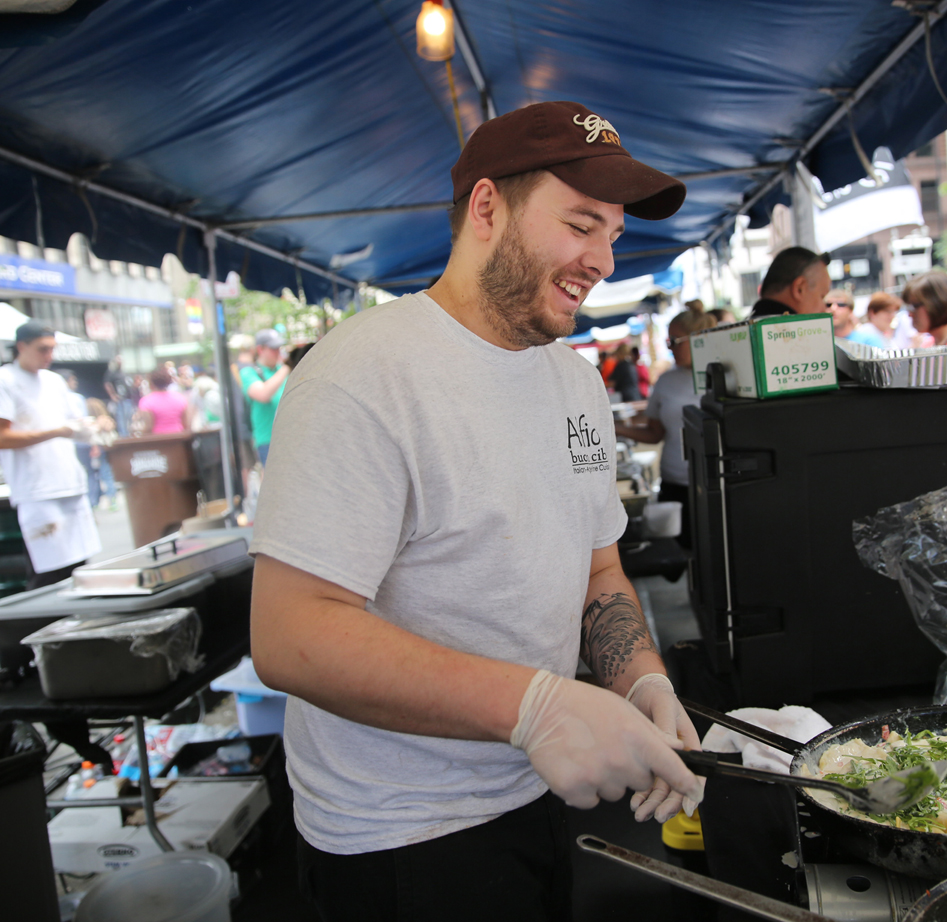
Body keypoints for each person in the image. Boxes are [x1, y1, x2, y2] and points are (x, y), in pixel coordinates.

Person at [248, 100, 703, 922]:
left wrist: (641, 681)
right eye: (580, 224)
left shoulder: (572, 380)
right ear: (488, 208)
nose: (603, 258)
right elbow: (291, 634)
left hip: (534, 794)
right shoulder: (362, 376)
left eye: (613, 233)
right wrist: (535, 705)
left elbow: (596, 564)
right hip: (398, 836)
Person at [0, 322, 101, 588]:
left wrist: (93, 427)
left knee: (79, 570)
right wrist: (57, 432)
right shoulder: (5, 379)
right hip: (36, 489)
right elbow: (2, 437)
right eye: (42, 349)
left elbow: (73, 425)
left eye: (52, 349)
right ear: (21, 347)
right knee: (48, 576)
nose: (49, 356)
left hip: (69, 482)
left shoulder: (54, 381)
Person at [615, 307, 717, 549]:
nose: (671, 348)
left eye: (676, 341)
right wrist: (616, 428)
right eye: (668, 342)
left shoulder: (723, 376)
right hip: (675, 481)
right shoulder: (666, 381)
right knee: (681, 549)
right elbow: (655, 433)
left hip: (714, 480)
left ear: (699, 338)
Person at [239, 328, 289, 466]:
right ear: (260, 350)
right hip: (268, 440)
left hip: (291, 436)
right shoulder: (249, 372)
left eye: (279, 348)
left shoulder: (282, 370)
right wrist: (287, 367)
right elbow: (263, 394)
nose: (277, 352)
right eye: (273, 348)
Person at [748, 247, 830, 319]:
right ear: (799, 289)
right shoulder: (794, 334)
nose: (824, 310)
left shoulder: (744, 329)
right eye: (822, 296)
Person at [135, 367, 191, 434]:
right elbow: (187, 424)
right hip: (178, 440)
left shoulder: (146, 401)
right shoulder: (180, 398)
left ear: (151, 383)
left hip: (157, 441)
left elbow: (148, 427)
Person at [85, 397, 118, 511]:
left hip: (98, 447)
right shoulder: (107, 418)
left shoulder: (94, 421)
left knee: (94, 474)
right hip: (107, 446)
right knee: (107, 473)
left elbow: (93, 435)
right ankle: (112, 499)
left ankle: (94, 501)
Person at [104, 355, 133, 437]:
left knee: (129, 418)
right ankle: (123, 436)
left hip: (128, 399)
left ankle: (128, 435)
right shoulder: (112, 373)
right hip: (120, 400)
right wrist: (112, 395)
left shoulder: (124, 373)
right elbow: (107, 384)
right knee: (121, 419)